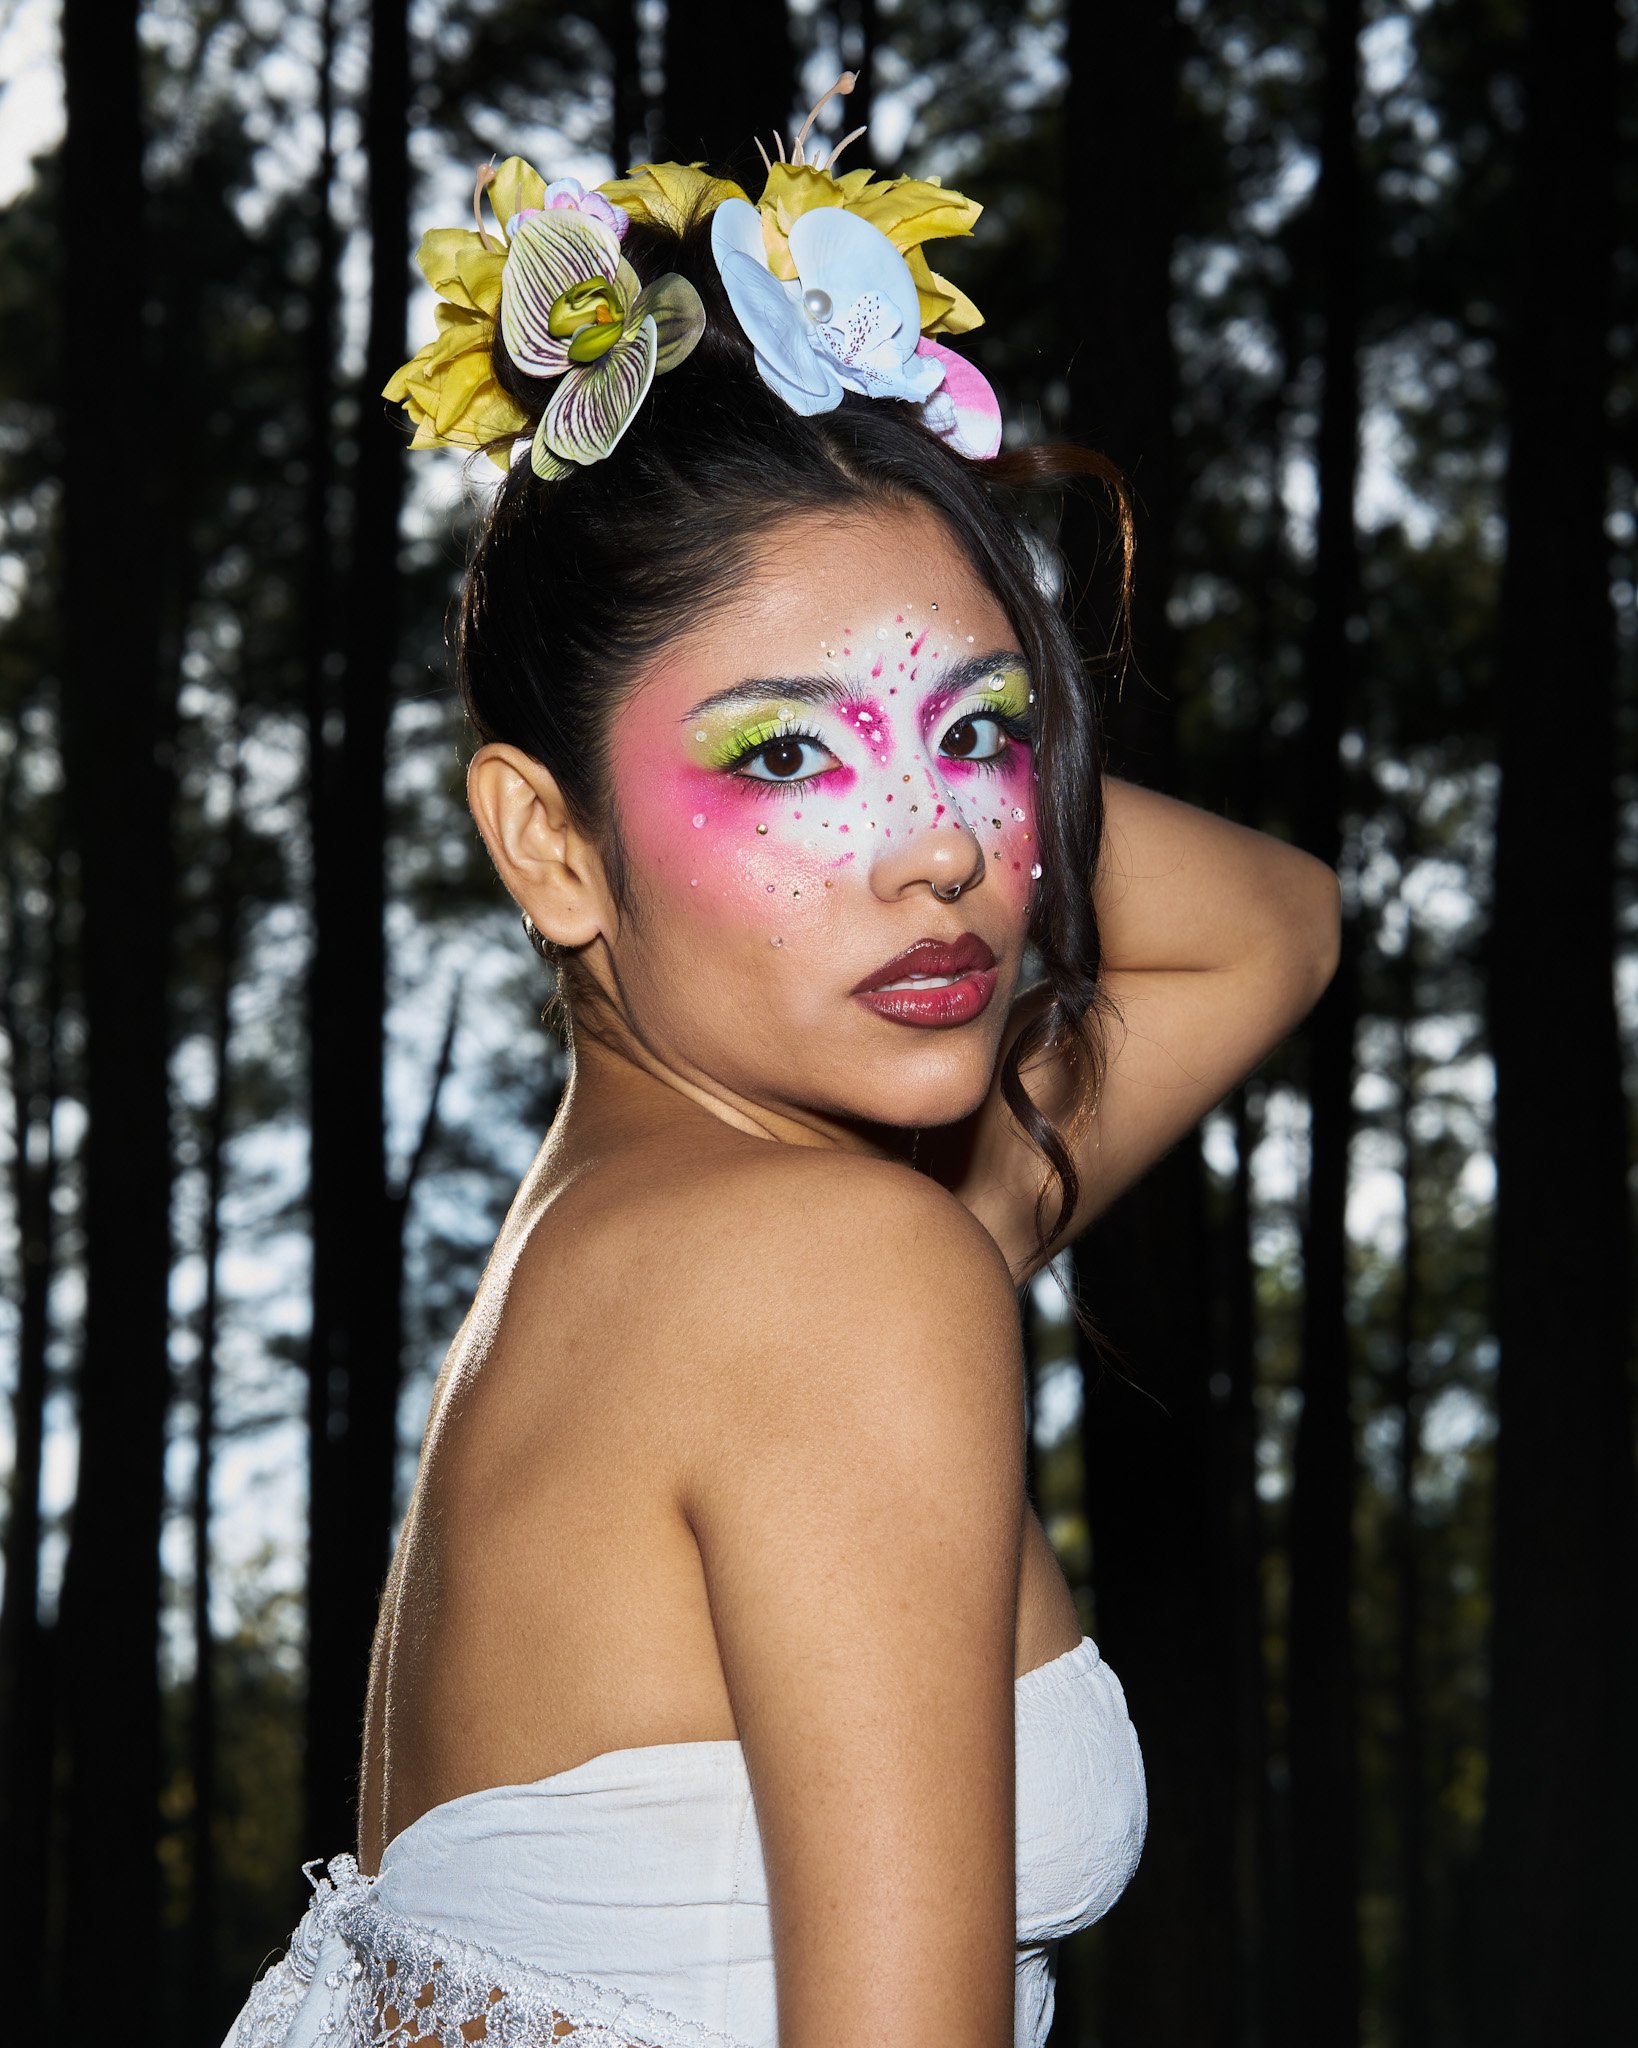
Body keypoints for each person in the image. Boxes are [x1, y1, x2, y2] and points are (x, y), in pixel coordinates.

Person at [221, 81, 1339, 2048]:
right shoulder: (837, 1273)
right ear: (551, 842)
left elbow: (1271, 923)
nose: (937, 845)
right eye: (784, 755)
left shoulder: (637, 1261)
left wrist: (918, 763)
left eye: (985, 731)